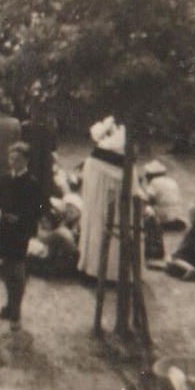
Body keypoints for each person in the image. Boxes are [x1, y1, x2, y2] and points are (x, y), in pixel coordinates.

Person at [0, 143, 42, 328]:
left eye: (18, 160)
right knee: (5, 267)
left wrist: (20, 218)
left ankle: (16, 313)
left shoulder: (32, 183)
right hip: (4, 228)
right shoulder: (4, 178)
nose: (13, 163)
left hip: (21, 230)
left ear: (26, 161)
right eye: (11, 159)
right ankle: (9, 305)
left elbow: (39, 208)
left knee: (17, 268)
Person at [78, 117, 129, 282]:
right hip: (113, 200)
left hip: (101, 203)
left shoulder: (96, 160)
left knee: (100, 226)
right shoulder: (123, 159)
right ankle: (110, 271)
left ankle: (98, 270)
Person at [150, 199, 195, 281]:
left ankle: (190, 269)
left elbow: (186, 247)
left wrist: (174, 255)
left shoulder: (194, 229)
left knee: (171, 263)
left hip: (190, 259)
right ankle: (186, 267)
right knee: (170, 261)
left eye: (190, 214)